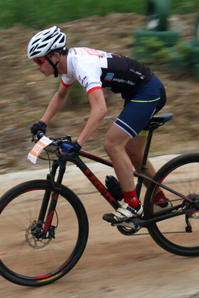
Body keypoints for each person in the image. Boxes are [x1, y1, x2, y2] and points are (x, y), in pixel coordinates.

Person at [27, 26, 169, 224]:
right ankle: (161, 201)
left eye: (40, 61)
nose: (37, 66)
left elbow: (100, 109)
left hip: (148, 92)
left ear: (56, 56)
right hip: (136, 93)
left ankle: (133, 206)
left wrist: (79, 142)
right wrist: (42, 122)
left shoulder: (82, 65)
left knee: (112, 144)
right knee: (134, 154)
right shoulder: (67, 65)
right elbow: (60, 96)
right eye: (35, 62)